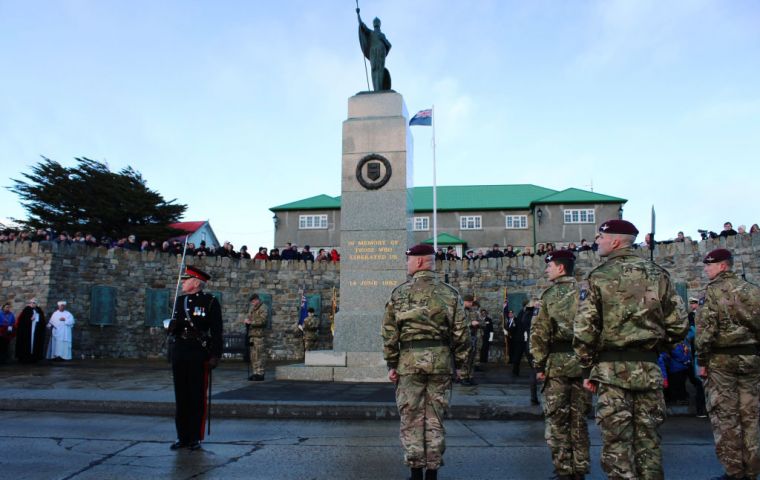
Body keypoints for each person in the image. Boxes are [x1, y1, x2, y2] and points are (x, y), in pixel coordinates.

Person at [574, 219, 687, 479]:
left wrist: (587, 367)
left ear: (615, 241)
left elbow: (584, 330)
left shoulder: (599, 277)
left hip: (611, 372)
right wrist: (656, 349)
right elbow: (679, 324)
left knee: (617, 445)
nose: (597, 242)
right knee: (649, 443)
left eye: (601, 237)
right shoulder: (658, 275)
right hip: (648, 368)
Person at [382, 243, 470, 480]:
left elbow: (390, 333)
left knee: (411, 417)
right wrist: (461, 366)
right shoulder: (450, 294)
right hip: (440, 362)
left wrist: (392, 363)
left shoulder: (400, 293)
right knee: (435, 417)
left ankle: (415, 471)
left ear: (420, 261)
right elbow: (462, 334)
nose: (407, 264)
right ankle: (432, 472)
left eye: (409, 260)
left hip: (409, 362)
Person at [695, 248, 760, 480]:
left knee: (726, 417)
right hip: (750, 359)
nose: (705, 269)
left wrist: (701, 360)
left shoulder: (712, 292)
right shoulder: (753, 290)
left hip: (721, 360)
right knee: (750, 417)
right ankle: (752, 470)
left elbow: (705, 331)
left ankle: (734, 472)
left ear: (722, 266)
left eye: (709, 265)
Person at [531, 250, 591, 480]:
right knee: (579, 421)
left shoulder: (549, 296)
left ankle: (564, 470)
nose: (547, 269)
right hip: (583, 364)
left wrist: (538, 365)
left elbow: (539, 334)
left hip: (556, 366)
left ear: (560, 268)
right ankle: (580, 469)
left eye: (550, 265)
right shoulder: (586, 293)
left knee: (557, 421)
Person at [167, 265, 223, 451]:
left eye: (186, 279)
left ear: (196, 283)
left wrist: (215, 355)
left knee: (196, 395)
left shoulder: (209, 301)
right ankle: (182, 436)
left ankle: (194, 437)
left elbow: (216, 331)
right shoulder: (179, 300)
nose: (182, 282)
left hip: (197, 352)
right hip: (180, 350)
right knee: (181, 395)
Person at [356, 7, 392, 91]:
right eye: (375, 23)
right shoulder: (371, 33)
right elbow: (362, 25)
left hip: (380, 53)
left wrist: (383, 40)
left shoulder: (382, 35)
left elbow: (389, 45)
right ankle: (376, 89)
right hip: (373, 52)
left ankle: (379, 89)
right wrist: (358, 14)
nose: (376, 24)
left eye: (377, 23)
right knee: (373, 70)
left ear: (379, 24)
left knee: (379, 70)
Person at [685, 298, 707, 417]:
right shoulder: (691, 319)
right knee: (700, 383)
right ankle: (701, 410)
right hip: (699, 354)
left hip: (702, 354)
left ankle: (704, 410)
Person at [244, 293, 269, 381]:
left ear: (257, 300)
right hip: (252, 335)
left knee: (260, 355)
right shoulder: (252, 308)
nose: (252, 303)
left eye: (254, 301)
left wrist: (251, 322)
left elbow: (263, 321)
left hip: (259, 335)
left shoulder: (263, 307)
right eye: (252, 302)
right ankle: (255, 373)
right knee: (253, 355)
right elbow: (249, 317)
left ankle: (260, 373)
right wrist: (247, 320)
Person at [15, 298, 47, 364]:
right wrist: (29, 319)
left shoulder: (39, 310)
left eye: (34, 303)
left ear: (36, 304)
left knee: (35, 343)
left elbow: (42, 321)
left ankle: (35, 357)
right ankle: (25, 358)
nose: (32, 304)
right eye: (31, 303)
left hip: (36, 331)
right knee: (26, 343)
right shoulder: (26, 310)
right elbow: (22, 320)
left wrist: (39, 321)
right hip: (27, 331)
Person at [461, 295, 481, 386]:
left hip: (473, 337)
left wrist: (478, 323)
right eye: (469, 302)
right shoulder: (460, 311)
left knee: (472, 359)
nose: (471, 304)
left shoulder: (473, 311)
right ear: (465, 301)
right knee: (465, 359)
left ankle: (470, 376)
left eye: (472, 302)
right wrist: (470, 323)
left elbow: (483, 323)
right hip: (463, 338)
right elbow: (457, 324)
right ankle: (463, 377)